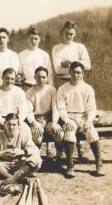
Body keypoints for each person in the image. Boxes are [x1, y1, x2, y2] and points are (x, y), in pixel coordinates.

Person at [52, 21, 91, 161]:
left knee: (79, 112)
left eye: (72, 34)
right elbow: (57, 69)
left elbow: (87, 65)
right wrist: (72, 65)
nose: (69, 36)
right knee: (64, 114)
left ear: (75, 34)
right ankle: (61, 150)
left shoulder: (80, 47)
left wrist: (69, 63)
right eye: (67, 33)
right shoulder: (57, 48)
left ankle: (80, 150)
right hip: (62, 82)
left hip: (78, 83)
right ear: (62, 33)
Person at [57, 61, 104, 178]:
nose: (76, 75)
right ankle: (70, 166)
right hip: (70, 117)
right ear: (69, 72)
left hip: (84, 116)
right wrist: (66, 121)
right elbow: (61, 108)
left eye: (78, 73)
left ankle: (99, 164)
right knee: (69, 134)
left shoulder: (87, 89)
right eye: (73, 72)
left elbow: (92, 108)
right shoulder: (63, 89)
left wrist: (89, 121)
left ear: (83, 74)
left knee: (92, 133)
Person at [0, 113, 42, 184]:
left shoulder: (23, 135)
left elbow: (35, 151)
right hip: (3, 166)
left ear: (18, 126)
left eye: (14, 125)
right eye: (9, 124)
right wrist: (0, 154)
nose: (11, 127)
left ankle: (9, 180)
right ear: (4, 124)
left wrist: (22, 152)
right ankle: (15, 179)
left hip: (18, 165)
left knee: (36, 159)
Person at [26, 66, 64, 162]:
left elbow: (55, 108)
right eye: (38, 77)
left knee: (59, 133)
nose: (41, 79)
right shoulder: (29, 92)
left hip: (49, 119)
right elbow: (28, 111)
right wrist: (34, 123)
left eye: (43, 77)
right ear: (34, 77)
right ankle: (35, 160)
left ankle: (59, 158)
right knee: (37, 137)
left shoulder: (52, 90)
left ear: (47, 78)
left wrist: (55, 122)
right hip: (36, 119)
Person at [0, 68, 29, 139]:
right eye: (7, 78)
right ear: (2, 78)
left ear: (15, 79)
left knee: (26, 132)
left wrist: (16, 123)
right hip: (0, 121)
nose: (9, 81)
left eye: (12, 79)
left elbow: (23, 111)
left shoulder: (19, 92)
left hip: (16, 121)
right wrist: (4, 122)